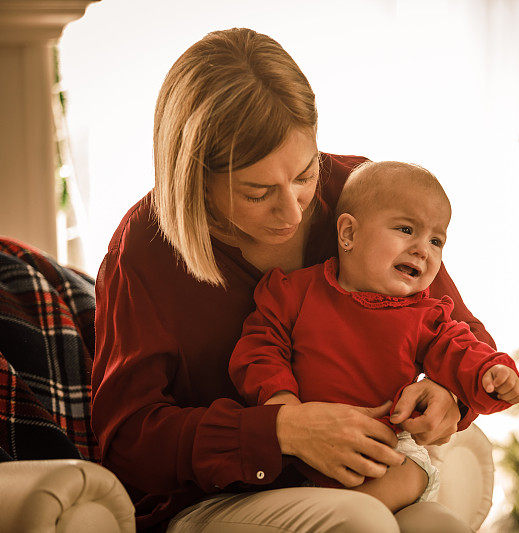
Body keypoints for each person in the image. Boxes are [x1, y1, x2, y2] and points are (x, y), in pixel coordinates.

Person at [91, 28, 497, 532]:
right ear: (194, 178)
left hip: (364, 477)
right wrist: (281, 430)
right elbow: (126, 439)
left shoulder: (359, 195)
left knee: (438, 526)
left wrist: (448, 395)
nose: (292, 210)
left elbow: (466, 335)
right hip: (219, 500)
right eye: (258, 192)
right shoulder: (145, 251)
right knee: (360, 522)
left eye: (304, 174)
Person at [229, 161, 519, 512]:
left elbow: (460, 350)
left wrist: (489, 373)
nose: (423, 250)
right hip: (301, 448)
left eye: (436, 240)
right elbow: (260, 348)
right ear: (349, 234)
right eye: (405, 229)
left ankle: (350, 510)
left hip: (385, 447)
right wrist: (284, 407)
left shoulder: (426, 316)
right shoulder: (294, 292)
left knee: (410, 471)